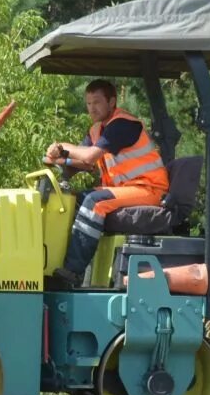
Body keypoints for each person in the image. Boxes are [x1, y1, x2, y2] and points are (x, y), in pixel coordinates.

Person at [43, 79, 168, 287]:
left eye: (97, 102)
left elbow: (90, 156)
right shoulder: (96, 130)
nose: (92, 108)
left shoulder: (123, 124)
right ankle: (56, 264)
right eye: (89, 103)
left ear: (112, 102)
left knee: (95, 202)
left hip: (149, 189)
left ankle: (73, 272)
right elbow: (81, 162)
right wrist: (57, 161)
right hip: (126, 190)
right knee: (76, 199)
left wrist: (62, 147)